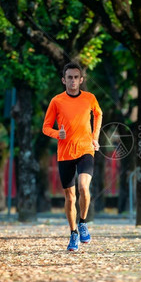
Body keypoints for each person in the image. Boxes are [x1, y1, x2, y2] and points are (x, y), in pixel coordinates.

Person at [42, 62, 103, 251]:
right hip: (65, 153)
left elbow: (99, 114)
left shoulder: (90, 98)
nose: (73, 80)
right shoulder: (56, 101)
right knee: (70, 197)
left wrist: (95, 138)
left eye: (76, 77)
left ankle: (83, 222)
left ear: (81, 80)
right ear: (64, 80)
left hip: (86, 149)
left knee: (84, 187)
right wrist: (56, 134)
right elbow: (45, 127)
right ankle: (73, 233)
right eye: (69, 77)